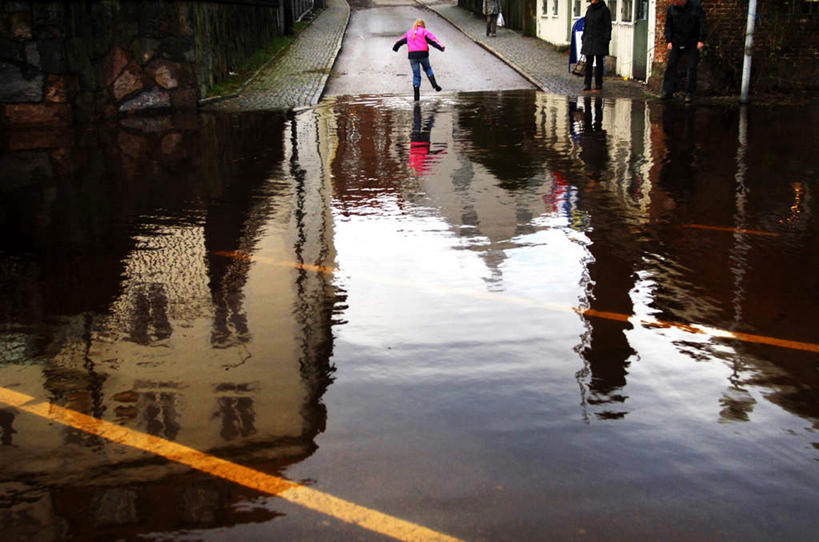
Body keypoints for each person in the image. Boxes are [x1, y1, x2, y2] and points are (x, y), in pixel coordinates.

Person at [661, 0, 707, 103]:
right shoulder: (672, 9)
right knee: (671, 65)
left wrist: (701, 40)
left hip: (692, 41)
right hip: (677, 41)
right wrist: (669, 40)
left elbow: (702, 23)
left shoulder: (695, 7)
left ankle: (690, 93)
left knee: (692, 67)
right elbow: (668, 25)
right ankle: (667, 91)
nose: (675, 2)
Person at [393, 19, 445, 102]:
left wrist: (395, 48)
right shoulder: (424, 32)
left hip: (412, 56)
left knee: (416, 75)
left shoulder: (409, 33)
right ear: (423, 25)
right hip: (423, 54)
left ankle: (416, 97)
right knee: (427, 68)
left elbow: (400, 41)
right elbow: (433, 41)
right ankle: (435, 85)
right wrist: (441, 47)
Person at [580, 0, 612, 92]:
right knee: (588, 63)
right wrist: (584, 37)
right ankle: (587, 84)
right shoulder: (589, 9)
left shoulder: (604, 10)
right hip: (589, 39)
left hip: (600, 40)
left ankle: (598, 83)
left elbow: (608, 26)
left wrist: (606, 39)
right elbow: (586, 24)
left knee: (599, 62)